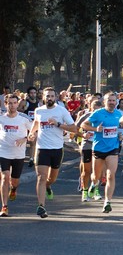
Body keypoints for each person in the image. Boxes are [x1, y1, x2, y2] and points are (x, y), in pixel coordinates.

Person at [27, 87, 77, 218]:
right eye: (47, 96)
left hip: (57, 149)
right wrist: (32, 134)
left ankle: (48, 186)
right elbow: (36, 124)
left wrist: (58, 124)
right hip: (42, 148)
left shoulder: (61, 110)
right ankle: (41, 206)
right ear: (43, 97)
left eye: (52, 96)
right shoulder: (39, 110)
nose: (49, 98)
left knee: (52, 178)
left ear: (55, 97)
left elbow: (74, 128)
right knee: (41, 177)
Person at [81, 92, 122, 213]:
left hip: (113, 148)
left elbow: (120, 129)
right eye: (109, 100)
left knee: (110, 175)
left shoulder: (118, 114)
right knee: (96, 176)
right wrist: (95, 129)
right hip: (98, 148)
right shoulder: (98, 113)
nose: (112, 102)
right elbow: (84, 124)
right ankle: (94, 184)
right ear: (104, 102)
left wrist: (120, 135)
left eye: (114, 100)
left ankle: (107, 201)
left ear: (116, 102)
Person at [0, 94, 32, 216]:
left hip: (18, 154)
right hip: (3, 152)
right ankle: (4, 207)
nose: (12, 105)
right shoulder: (1, 118)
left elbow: (33, 133)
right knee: (4, 177)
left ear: (18, 104)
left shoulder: (23, 118)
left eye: (14, 103)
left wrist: (25, 139)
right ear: (6, 104)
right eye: (10, 103)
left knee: (14, 181)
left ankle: (13, 189)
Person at [75, 100, 102, 202]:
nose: (96, 112)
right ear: (90, 108)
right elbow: (75, 128)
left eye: (98, 110)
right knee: (86, 171)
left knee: (97, 171)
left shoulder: (104, 117)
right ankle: (85, 191)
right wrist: (83, 135)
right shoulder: (86, 116)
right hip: (87, 145)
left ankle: (95, 190)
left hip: (100, 146)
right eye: (94, 109)